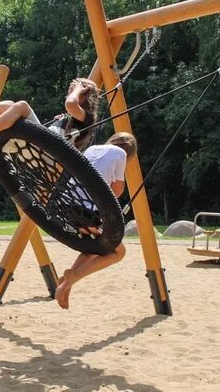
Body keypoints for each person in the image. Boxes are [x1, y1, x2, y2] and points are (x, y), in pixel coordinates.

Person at [54, 132, 137, 310]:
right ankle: (73, 277)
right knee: (118, 253)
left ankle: (67, 284)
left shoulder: (92, 149)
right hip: (86, 211)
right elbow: (116, 188)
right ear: (129, 152)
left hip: (65, 208)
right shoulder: (121, 154)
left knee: (92, 248)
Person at [0, 78, 99, 151]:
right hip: (43, 146)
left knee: (22, 106)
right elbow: (69, 106)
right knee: (10, 105)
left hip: (47, 153)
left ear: (84, 94)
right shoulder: (72, 119)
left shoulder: (88, 118)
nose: (69, 94)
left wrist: (79, 89)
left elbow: (70, 104)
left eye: (72, 91)